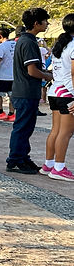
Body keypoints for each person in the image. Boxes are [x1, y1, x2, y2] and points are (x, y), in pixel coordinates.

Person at [7, 8, 52, 174]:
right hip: (26, 91)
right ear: (36, 23)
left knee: (26, 127)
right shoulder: (29, 42)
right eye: (45, 21)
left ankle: (23, 157)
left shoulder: (25, 40)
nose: (47, 24)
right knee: (22, 127)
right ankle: (16, 159)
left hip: (24, 91)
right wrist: (47, 76)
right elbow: (32, 71)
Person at [42, 13, 74, 181]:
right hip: (68, 93)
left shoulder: (59, 46)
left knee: (55, 130)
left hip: (55, 92)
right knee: (66, 133)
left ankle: (49, 164)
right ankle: (59, 168)